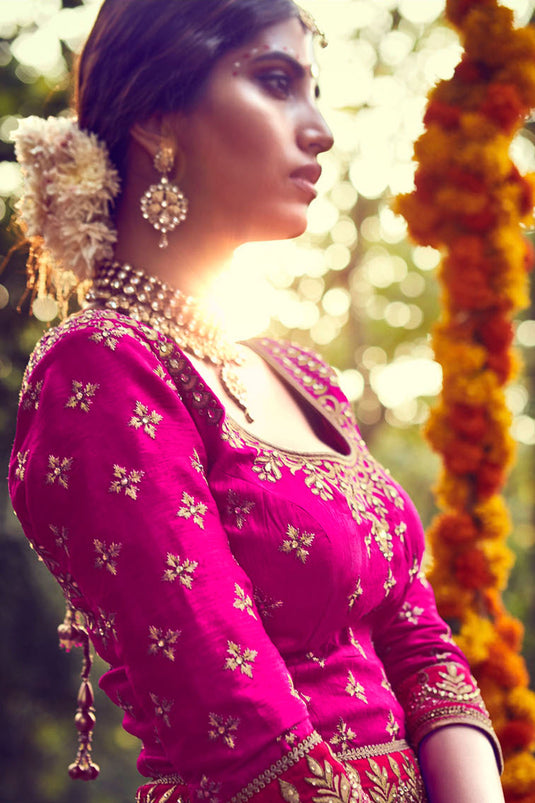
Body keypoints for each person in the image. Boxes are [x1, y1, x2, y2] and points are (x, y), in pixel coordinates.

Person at [8, 1, 506, 801]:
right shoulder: (101, 370)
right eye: (276, 83)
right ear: (157, 114)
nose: (319, 130)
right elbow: (236, 730)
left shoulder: (302, 378)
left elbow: (415, 638)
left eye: (312, 89)